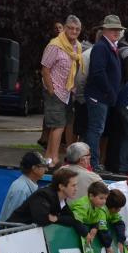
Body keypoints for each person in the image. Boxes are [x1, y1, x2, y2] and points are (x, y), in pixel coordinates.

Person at [84, 15, 124, 172]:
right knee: (96, 130)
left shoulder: (110, 46)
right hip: (98, 96)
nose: (116, 32)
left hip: (103, 97)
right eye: (113, 29)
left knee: (97, 130)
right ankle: (92, 164)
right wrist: (109, 92)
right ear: (104, 30)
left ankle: (92, 163)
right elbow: (98, 73)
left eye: (118, 29)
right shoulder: (102, 47)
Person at [41, 15, 83, 165]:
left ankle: (48, 157)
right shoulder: (55, 45)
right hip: (55, 90)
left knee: (61, 124)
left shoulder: (77, 46)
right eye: (71, 28)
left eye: (77, 29)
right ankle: (54, 159)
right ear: (64, 28)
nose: (74, 31)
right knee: (57, 125)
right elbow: (45, 69)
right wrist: (51, 89)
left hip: (67, 92)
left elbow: (76, 66)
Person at [8, 168, 80, 229]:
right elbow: (42, 220)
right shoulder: (43, 195)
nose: (76, 189)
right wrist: (59, 219)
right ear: (61, 186)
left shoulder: (61, 199)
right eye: (73, 185)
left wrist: (57, 218)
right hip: (10, 235)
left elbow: (72, 219)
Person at [69, 180, 115, 253]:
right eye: (101, 198)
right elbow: (76, 220)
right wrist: (86, 234)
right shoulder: (83, 205)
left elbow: (98, 222)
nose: (104, 201)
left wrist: (95, 227)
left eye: (105, 198)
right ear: (91, 196)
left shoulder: (99, 207)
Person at [0, 152, 48, 221]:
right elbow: (14, 220)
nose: (46, 170)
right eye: (43, 166)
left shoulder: (27, 185)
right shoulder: (22, 190)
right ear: (34, 168)